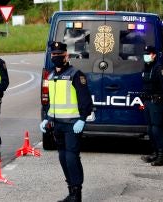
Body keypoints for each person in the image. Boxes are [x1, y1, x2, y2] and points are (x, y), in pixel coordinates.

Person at [39, 41, 93, 202]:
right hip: (57, 124)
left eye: (59, 55)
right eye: (53, 55)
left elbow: (85, 101)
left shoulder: (76, 74)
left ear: (66, 56)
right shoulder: (51, 75)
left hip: (72, 124)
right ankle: (71, 191)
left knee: (71, 158)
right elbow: (51, 102)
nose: (55, 57)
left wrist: (82, 119)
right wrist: (47, 118)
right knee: (63, 158)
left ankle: (77, 194)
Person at [140, 45, 163, 166]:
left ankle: (161, 157)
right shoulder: (146, 68)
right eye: (145, 53)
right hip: (148, 102)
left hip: (157, 102)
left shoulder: (160, 69)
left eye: (148, 54)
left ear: (153, 55)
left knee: (156, 128)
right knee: (149, 129)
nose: (146, 56)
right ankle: (154, 153)